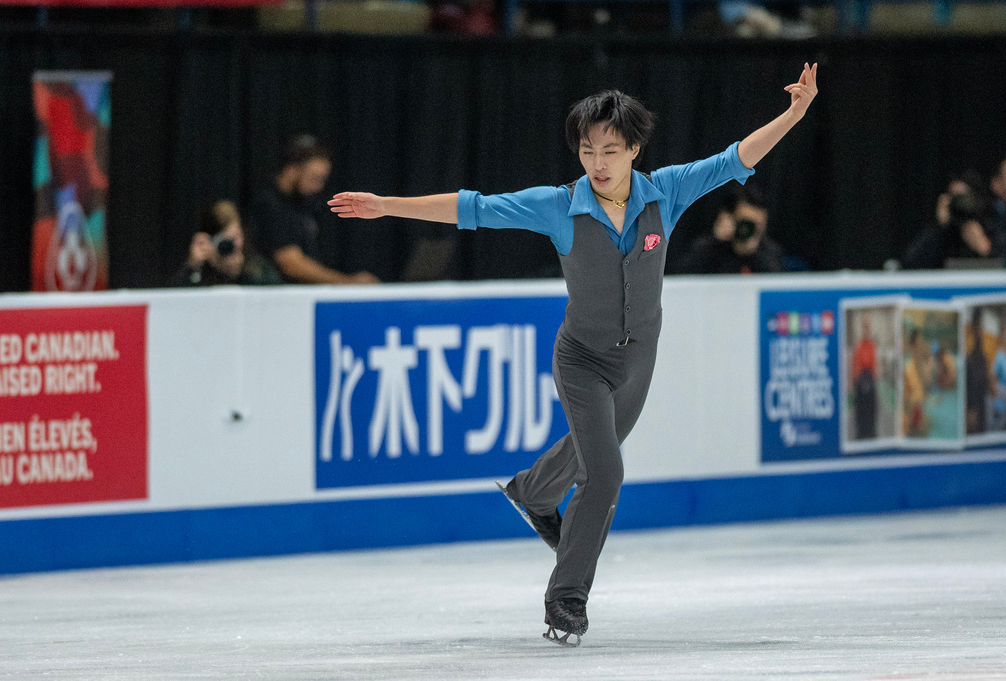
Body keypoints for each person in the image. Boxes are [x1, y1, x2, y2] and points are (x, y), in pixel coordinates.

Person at [329, 63, 818, 645]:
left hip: (639, 359)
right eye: (588, 150)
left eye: (610, 149)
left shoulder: (667, 191)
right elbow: (474, 208)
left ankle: (532, 491)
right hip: (581, 359)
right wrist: (388, 205)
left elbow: (735, 158)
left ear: (634, 148)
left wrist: (793, 113)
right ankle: (566, 599)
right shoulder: (558, 205)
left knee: (594, 450)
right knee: (605, 470)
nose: (598, 163)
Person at [248, 135, 380, 285]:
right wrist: (347, 282)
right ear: (292, 170)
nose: (319, 187)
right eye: (315, 178)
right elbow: (291, 264)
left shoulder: (304, 204)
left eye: (322, 180)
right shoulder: (269, 205)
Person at [673, 183, 785, 274]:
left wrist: (753, 255)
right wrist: (717, 244)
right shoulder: (708, 249)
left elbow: (775, 288)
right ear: (730, 218)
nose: (749, 229)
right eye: (745, 223)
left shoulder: (770, 253)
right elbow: (685, 280)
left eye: (757, 225)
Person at [902, 170, 1002, 269]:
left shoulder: (991, 223)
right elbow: (911, 262)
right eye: (955, 198)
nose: (960, 203)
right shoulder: (943, 233)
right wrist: (941, 227)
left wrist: (987, 250)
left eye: (963, 197)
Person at [168, 200, 282, 287]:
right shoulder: (198, 272)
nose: (235, 245)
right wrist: (193, 268)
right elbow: (178, 302)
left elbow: (273, 292)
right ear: (210, 242)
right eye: (227, 242)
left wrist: (241, 272)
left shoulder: (257, 268)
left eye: (238, 237)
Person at [851, 313, 878, 439]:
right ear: (862, 327)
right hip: (861, 379)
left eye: (869, 326)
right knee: (861, 408)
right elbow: (856, 365)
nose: (867, 329)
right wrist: (856, 381)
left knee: (871, 406)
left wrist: (874, 378)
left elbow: (874, 366)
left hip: (870, 379)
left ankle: (871, 429)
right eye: (865, 326)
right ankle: (861, 430)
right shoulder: (859, 346)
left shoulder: (872, 346)